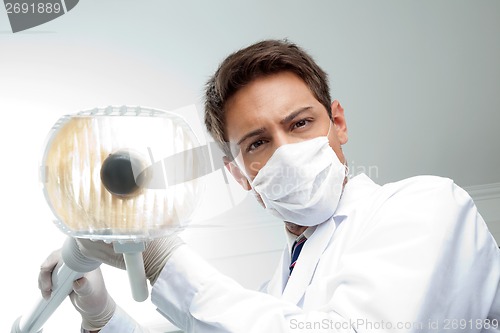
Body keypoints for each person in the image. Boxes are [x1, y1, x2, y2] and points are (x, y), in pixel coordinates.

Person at [39, 39, 500, 333]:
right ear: (238, 172)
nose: (285, 151)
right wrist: (102, 316)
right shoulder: (273, 297)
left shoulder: (428, 204)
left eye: (300, 123)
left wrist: (161, 258)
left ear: (337, 122)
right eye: (257, 142)